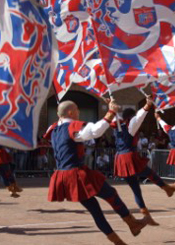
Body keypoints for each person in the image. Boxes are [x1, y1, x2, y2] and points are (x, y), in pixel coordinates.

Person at [44, 99, 148, 245]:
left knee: (95, 210)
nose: (79, 113)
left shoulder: (54, 129)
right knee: (111, 194)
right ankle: (133, 224)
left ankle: (119, 241)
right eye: (77, 110)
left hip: (64, 175)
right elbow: (95, 131)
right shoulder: (72, 127)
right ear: (71, 112)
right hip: (77, 174)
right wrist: (111, 112)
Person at [111, 96, 175, 226]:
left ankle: (146, 215)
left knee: (136, 189)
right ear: (130, 116)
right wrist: (147, 106)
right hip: (128, 157)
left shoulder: (118, 125)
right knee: (149, 173)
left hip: (120, 158)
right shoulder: (130, 125)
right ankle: (166, 188)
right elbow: (138, 118)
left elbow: (116, 116)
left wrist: (112, 107)